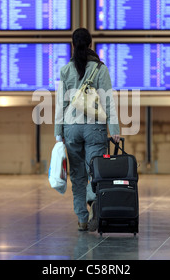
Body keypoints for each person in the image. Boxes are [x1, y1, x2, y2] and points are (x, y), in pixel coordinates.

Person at [55, 27, 120, 231]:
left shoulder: (66, 70)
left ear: (73, 45)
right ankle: (95, 207)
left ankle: (82, 220)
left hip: (71, 129)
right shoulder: (100, 69)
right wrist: (114, 128)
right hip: (94, 128)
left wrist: (59, 133)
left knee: (78, 176)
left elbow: (60, 104)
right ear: (90, 44)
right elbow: (109, 100)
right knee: (96, 173)